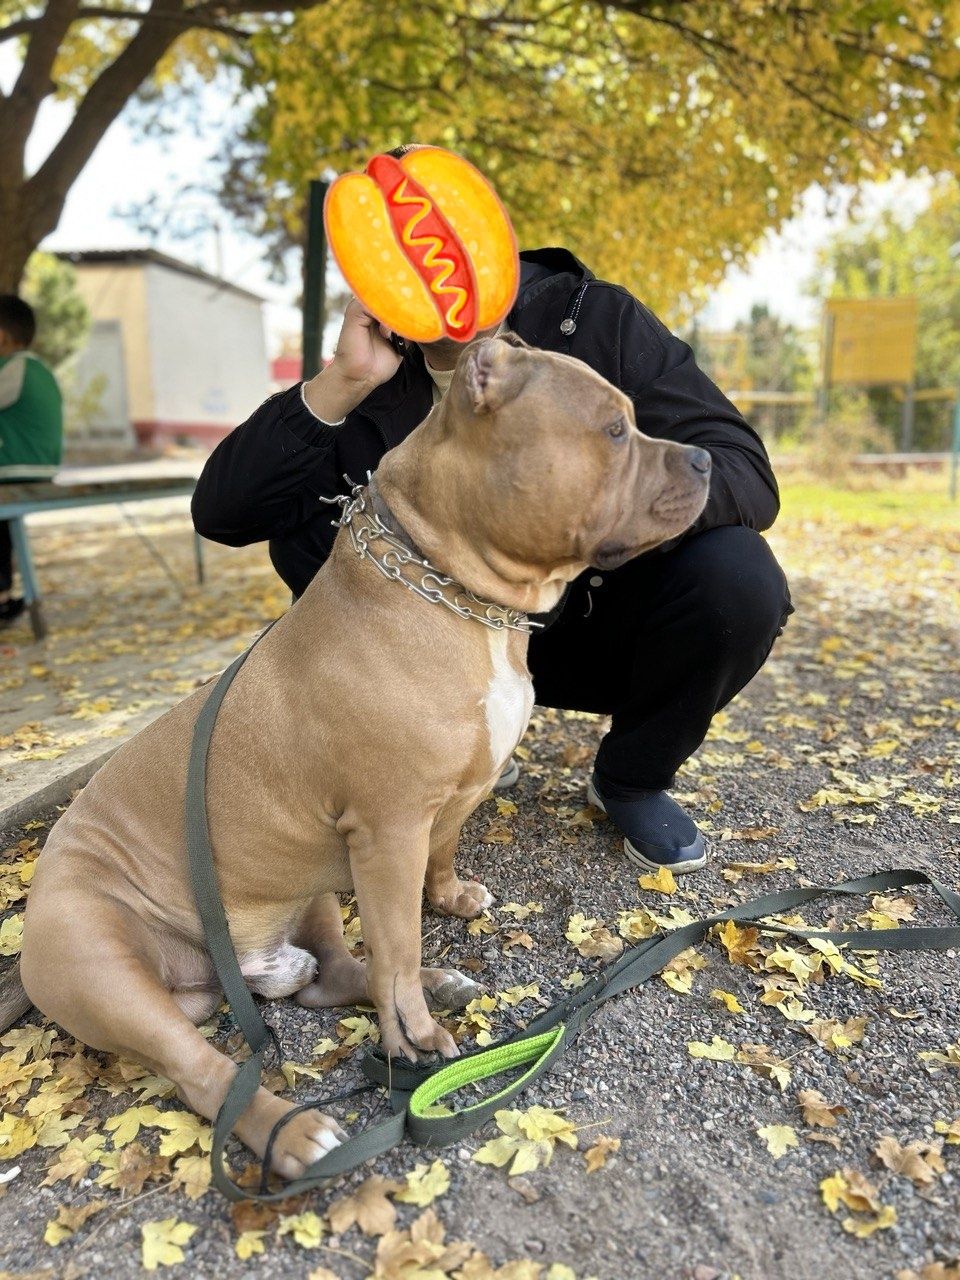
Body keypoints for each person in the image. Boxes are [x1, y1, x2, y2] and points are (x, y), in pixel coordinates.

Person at [192, 143, 793, 875]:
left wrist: (607, 510)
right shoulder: (372, 375)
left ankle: (633, 777)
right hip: (427, 656)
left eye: (447, 232)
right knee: (304, 515)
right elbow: (222, 514)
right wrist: (342, 382)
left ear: (490, 229)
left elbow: (743, 471)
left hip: (591, 622)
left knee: (740, 578)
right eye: (396, 248)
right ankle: (456, 747)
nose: (429, 259)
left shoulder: (593, 322)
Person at [0, 295, 64, 627]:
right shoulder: (39, 368)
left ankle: (2, 595)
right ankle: (4, 594)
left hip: (15, 466)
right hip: (37, 465)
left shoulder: (14, 366)